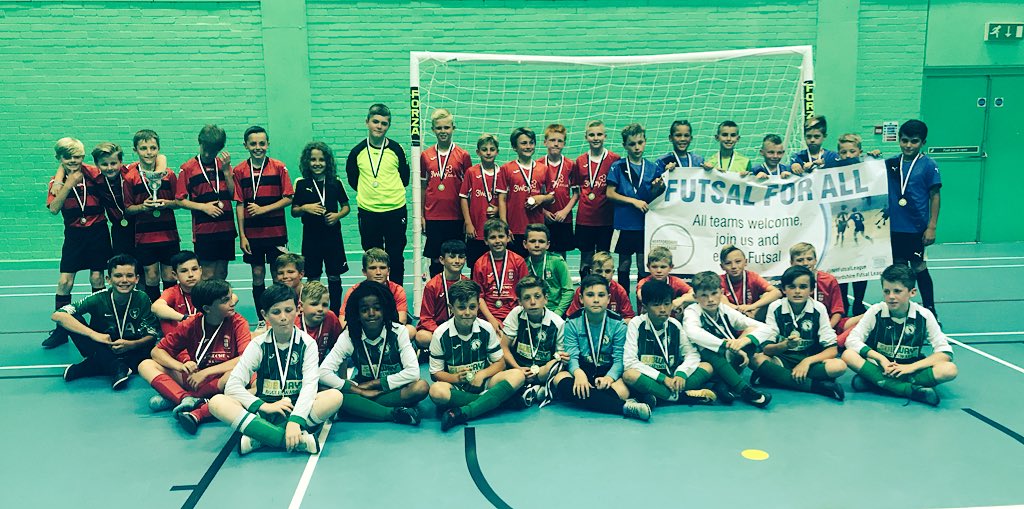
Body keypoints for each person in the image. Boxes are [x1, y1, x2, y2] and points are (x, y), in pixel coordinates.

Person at [207, 284, 343, 455]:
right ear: (265, 315)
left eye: (288, 310)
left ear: (298, 309)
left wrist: (295, 420)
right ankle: (297, 440)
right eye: (276, 312)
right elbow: (232, 385)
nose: (284, 317)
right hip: (264, 411)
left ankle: (261, 436)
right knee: (217, 402)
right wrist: (264, 406)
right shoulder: (258, 345)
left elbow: (309, 387)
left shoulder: (308, 344)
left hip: (297, 408)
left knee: (335, 397)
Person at [139, 278, 251, 434]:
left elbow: (245, 358)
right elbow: (157, 352)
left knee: (237, 374)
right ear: (207, 308)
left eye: (231, 297)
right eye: (225, 300)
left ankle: (176, 396)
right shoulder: (191, 324)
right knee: (146, 365)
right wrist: (180, 366)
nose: (232, 303)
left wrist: (206, 372)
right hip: (193, 377)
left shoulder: (238, 322)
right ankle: (185, 399)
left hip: (221, 380)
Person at [840, 265, 957, 406]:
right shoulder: (876, 311)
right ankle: (909, 389)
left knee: (949, 369)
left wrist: (910, 368)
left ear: (912, 292)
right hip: (881, 367)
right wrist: (881, 359)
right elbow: (852, 340)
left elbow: (945, 352)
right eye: (886, 291)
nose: (891, 297)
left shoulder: (924, 315)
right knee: (848, 355)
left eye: (897, 291)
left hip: (911, 369)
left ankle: (876, 383)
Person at [320, 281, 427, 425]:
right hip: (360, 388)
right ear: (357, 313)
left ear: (385, 309)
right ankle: (394, 413)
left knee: (420, 387)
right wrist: (357, 391)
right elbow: (322, 373)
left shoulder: (398, 331)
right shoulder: (350, 335)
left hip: (391, 388)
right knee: (322, 389)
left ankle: (359, 408)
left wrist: (372, 385)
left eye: (377, 308)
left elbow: (413, 373)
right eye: (364, 309)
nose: (371, 314)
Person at [548, 275, 651, 421]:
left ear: (608, 299)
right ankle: (625, 407)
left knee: (622, 390)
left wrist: (609, 377)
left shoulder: (618, 325)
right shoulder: (571, 323)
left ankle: (594, 400)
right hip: (583, 370)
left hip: (607, 371)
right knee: (559, 379)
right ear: (581, 298)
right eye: (590, 295)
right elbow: (572, 355)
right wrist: (578, 374)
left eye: (601, 295)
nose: (596, 300)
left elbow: (619, 359)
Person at [428, 280, 527, 432]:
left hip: (485, 384)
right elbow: (435, 373)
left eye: (472, 307)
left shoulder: (486, 328)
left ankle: (464, 411)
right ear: (451, 308)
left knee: (518, 375)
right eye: (461, 307)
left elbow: (500, 363)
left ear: (478, 307)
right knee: (436, 392)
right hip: (457, 387)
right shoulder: (440, 334)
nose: (467, 312)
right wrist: (455, 379)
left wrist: (482, 374)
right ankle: (498, 401)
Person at [42, 137, 111, 348]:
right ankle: (62, 329)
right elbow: (54, 208)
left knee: (98, 278)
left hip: (98, 231)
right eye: (68, 157)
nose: (74, 160)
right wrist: (67, 182)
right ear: (59, 158)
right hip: (74, 235)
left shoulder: (93, 174)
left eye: (78, 156)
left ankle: (99, 324)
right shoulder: (56, 182)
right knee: (65, 281)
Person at [54, 254, 160, 390]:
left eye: (129, 275)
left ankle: (92, 366)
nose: (124, 280)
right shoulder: (99, 298)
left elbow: (152, 335)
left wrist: (131, 345)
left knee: (149, 353)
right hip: (103, 347)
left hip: (132, 350)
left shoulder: (142, 298)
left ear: (137, 278)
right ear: (108, 279)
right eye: (118, 276)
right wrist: (93, 334)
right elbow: (58, 315)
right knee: (72, 318)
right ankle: (116, 367)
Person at [749, 266, 847, 400]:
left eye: (803, 287)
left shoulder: (819, 309)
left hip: (810, 360)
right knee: (755, 359)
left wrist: (806, 362)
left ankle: (776, 377)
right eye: (792, 287)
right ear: (783, 289)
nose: (797, 291)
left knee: (839, 366)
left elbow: (832, 350)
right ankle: (818, 387)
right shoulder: (775, 307)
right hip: (782, 359)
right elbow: (767, 349)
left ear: (811, 290)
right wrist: (785, 345)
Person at [682, 271, 772, 407]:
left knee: (751, 333)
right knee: (707, 348)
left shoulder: (725, 310)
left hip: (725, 362)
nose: (710, 299)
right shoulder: (692, 311)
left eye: (714, 293)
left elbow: (766, 329)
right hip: (703, 362)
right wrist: (726, 344)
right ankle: (744, 390)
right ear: (695, 297)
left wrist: (742, 342)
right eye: (704, 295)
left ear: (722, 292)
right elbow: (693, 332)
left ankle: (723, 386)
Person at [622, 280, 716, 407]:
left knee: (707, 367)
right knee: (629, 375)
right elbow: (629, 362)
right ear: (644, 306)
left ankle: (660, 396)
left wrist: (681, 373)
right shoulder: (636, 324)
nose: (663, 309)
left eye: (667, 304)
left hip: (673, 378)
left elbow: (691, 354)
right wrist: (662, 378)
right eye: (656, 305)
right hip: (651, 377)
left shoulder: (675, 324)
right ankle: (681, 397)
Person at [232, 125, 294, 321]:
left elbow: (288, 198)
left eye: (261, 143)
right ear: (246, 146)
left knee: (279, 276)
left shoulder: (279, 167)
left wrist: (263, 209)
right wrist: (242, 235)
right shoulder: (239, 170)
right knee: (257, 274)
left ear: (268, 144)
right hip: (253, 235)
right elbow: (240, 204)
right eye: (253, 144)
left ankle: (281, 314)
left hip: (276, 233)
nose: (258, 147)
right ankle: (262, 318)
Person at [346, 103, 411, 285]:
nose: (379, 126)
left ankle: (396, 300)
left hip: (395, 210)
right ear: (367, 122)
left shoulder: (397, 150)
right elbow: (353, 180)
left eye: (384, 123)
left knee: (396, 257)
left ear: (388, 126)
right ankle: (376, 296)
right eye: (375, 122)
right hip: (368, 212)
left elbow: (405, 178)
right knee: (372, 259)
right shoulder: (357, 152)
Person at [885, 120, 941, 318]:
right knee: (899, 270)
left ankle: (930, 310)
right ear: (899, 140)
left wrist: (931, 226)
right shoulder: (890, 163)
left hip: (916, 227)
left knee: (918, 267)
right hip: (894, 228)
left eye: (914, 141)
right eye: (904, 140)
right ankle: (901, 309)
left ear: (923, 142)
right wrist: (872, 157)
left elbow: (935, 196)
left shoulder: (929, 165)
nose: (908, 145)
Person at [606, 123, 665, 296]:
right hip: (624, 224)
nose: (637, 147)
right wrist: (632, 201)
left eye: (640, 142)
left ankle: (641, 301)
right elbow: (610, 193)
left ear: (645, 142)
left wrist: (658, 187)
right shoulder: (618, 166)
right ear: (625, 146)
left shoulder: (653, 168)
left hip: (645, 225)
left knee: (642, 264)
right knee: (624, 263)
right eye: (632, 144)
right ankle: (624, 300)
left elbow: (654, 197)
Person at [291, 141, 350, 314]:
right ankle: (313, 309)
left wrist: (337, 215)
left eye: (321, 160)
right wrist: (304, 208)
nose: (317, 163)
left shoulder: (335, 182)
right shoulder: (301, 183)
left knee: (334, 275)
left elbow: (346, 207)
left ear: (328, 162)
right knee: (313, 277)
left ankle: (336, 311)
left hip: (333, 237)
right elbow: (294, 211)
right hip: (311, 238)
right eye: (313, 159)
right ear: (307, 162)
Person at [124, 130, 180, 302]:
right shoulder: (130, 177)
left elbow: (179, 202)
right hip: (145, 237)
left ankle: (170, 313)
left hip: (168, 234)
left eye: (153, 148)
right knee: (151, 276)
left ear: (159, 149)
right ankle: (153, 315)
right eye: (143, 148)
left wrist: (167, 203)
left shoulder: (169, 174)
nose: (148, 152)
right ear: (135, 150)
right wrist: (142, 207)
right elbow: (128, 209)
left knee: (169, 276)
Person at [175, 125, 236, 281]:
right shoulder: (187, 168)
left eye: (213, 151)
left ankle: (219, 305)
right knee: (207, 274)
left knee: (222, 273)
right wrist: (203, 207)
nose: (208, 154)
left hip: (226, 228)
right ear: (199, 142)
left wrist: (227, 171)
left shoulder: (223, 166)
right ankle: (205, 305)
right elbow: (179, 200)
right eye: (205, 149)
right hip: (204, 230)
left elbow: (233, 194)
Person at [421, 108, 472, 277]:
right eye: (439, 128)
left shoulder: (463, 155)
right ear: (433, 130)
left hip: (456, 216)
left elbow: (469, 189)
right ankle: (437, 294)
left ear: (453, 128)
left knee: (456, 258)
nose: (443, 131)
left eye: (446, 127)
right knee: (436, 259)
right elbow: (423, 186)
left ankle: (455, 294)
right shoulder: (425, 155)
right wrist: (422, 215)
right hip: (433, 217)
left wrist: (468, 218)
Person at [500, 276, 566, 406]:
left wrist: (540, 372)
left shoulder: (558, 323)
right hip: (518, 369)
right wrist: (517, 368)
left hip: (542, 372)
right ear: (520, 301)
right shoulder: (516, 314)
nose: (532, 302)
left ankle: (530, 388)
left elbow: (560, 358)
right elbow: (504, 347)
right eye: (527, 298)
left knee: (557, 365)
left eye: (537, 296)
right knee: (497, 358)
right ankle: (537, 390)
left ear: (546, 298)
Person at [573, 120, 619, 282]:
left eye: (599, 134)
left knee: (604, 259)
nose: (596, 138)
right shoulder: (579, 161)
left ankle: (604, 291)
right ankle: (585, 289)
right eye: (592, 135)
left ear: (605, 136)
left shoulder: (614, 159)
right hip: (585, 219)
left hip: (606, 220)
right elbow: (578, 189)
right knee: (585, 258)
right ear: (586, 137)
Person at [498, 126, 552, 257]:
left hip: (537, 229)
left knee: (536, 266)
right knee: (517, 265)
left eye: (531, 142)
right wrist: (505, 227)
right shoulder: (506, 169)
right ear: (514, 147)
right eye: (523, 143)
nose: (528, 146)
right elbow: (502, 199)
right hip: (515, 228)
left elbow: (551, 196)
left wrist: (541, 198)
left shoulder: (543, 169)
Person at [338, 248, 415, 338]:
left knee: (410, 331)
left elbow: (401, 320)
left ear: (388, 271)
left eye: (382, 268)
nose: (378, 272)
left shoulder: (398, 290)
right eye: (373, 268)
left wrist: (380, 334)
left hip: (388, 331)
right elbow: (343, 320)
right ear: (364, 272)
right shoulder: (354, 291)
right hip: (363, 332)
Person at [471, 218, 528, 331]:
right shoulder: (480, 264)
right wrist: (491, 320)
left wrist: (514, 318)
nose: (497, 241)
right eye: (492, 237)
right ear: (486, 241)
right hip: (487, 316)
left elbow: (524, 292)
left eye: (501, 236)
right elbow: (479, 297)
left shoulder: (518, 261)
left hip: (514, 313)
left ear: (508, 238)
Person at [415, 239, 469, 350]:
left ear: (465, 260)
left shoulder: (468, 285)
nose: (457, 261)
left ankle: (443, 349)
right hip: (438, 329)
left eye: (461, 257)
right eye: (452, 256)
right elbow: (426, 318)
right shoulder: (432, 285)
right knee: (422, 337)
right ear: (442, 260)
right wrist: (443, 332)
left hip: (461, 329)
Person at [789, 242, 852, 334]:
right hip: (798, 327)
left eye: (809, 259)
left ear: (815, 260)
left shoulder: (829, 280)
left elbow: (837, 311)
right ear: (791, 263)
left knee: (859, 321)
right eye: (800, 260)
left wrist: (826, 330)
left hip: (827, 324)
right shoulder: (788, 281)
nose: (805, 263)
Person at [460, 133, 503, 266]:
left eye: (492, 149)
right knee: (476, 265)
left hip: (496, 231)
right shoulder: (471, 172)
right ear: (478, 152)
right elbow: (463, 198)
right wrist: (468, 223)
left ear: (497, 151)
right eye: (484, 149)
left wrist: (498, 209)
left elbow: (507, 200)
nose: (488, 153)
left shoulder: (502, 172)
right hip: (476, 230)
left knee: (496, 264)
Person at [538, 124, 577, 260]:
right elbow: (532, 194)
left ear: (564, 144)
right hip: (544, 218)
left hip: (563, 218)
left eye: (560, 141)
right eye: (552, 140)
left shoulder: (570, 165)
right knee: (542, 253)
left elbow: (576, 193)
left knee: (561, 255)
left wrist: (565, 211)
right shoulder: (538, 165)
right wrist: (544, 212)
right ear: (545, 142)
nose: (556, 144)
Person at [564, 251, 636, 321]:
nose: (603, 275)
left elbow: (629, 318)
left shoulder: (619, 291)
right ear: (591, 272)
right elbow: (571, 317)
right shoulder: (582, 290)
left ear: (613, 272)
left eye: (607, 271)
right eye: (599, 271)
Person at [719, 244, 781, 321]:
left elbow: (777, 292)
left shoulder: (752, 277)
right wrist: (738, 309)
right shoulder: (719, 280)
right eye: (728, 263)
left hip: (753, 316)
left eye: (738, 261)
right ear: (722, 266)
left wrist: (752, 307)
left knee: (767, 295)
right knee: (719, 296)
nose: (733, 266)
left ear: (745, 262)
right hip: (731, 318)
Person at [522, 223, 573, 316]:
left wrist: (558, 313)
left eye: (541, 241)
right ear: (525, 244)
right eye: (532, 241)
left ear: (547, 245)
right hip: (532, 311)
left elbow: (568, 290)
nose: (537, 245)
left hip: (556, 311)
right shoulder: (523, 265)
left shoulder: (557, 261)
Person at [152, 250, 203, 336]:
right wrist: (184, 318)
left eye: (194, 269)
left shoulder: (208, 288)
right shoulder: (173, 292)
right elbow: (155, 307)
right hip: (178, 341)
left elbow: (232, 297)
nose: (190, 274)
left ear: (200, 270)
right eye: (184, 271)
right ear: (175, 275)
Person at [635, 246, 694, 317]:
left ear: (671, 267)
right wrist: (670, 304)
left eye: (663, 267)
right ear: (648, 267)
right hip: (648, 321)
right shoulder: (644, 283)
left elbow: (695, 294)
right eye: (654, 267)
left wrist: (681, 300)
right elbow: (642, 296)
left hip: (670, 321)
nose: (659, 271)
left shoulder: (675, 281)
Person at [295, 281, 343, 363]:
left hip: (319, 367)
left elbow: (340, 351)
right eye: (314, 304)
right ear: (301, 306)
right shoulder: (293, 322)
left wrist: (342, 376)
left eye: (324, 305)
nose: (320, 309)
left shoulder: (331, 318)